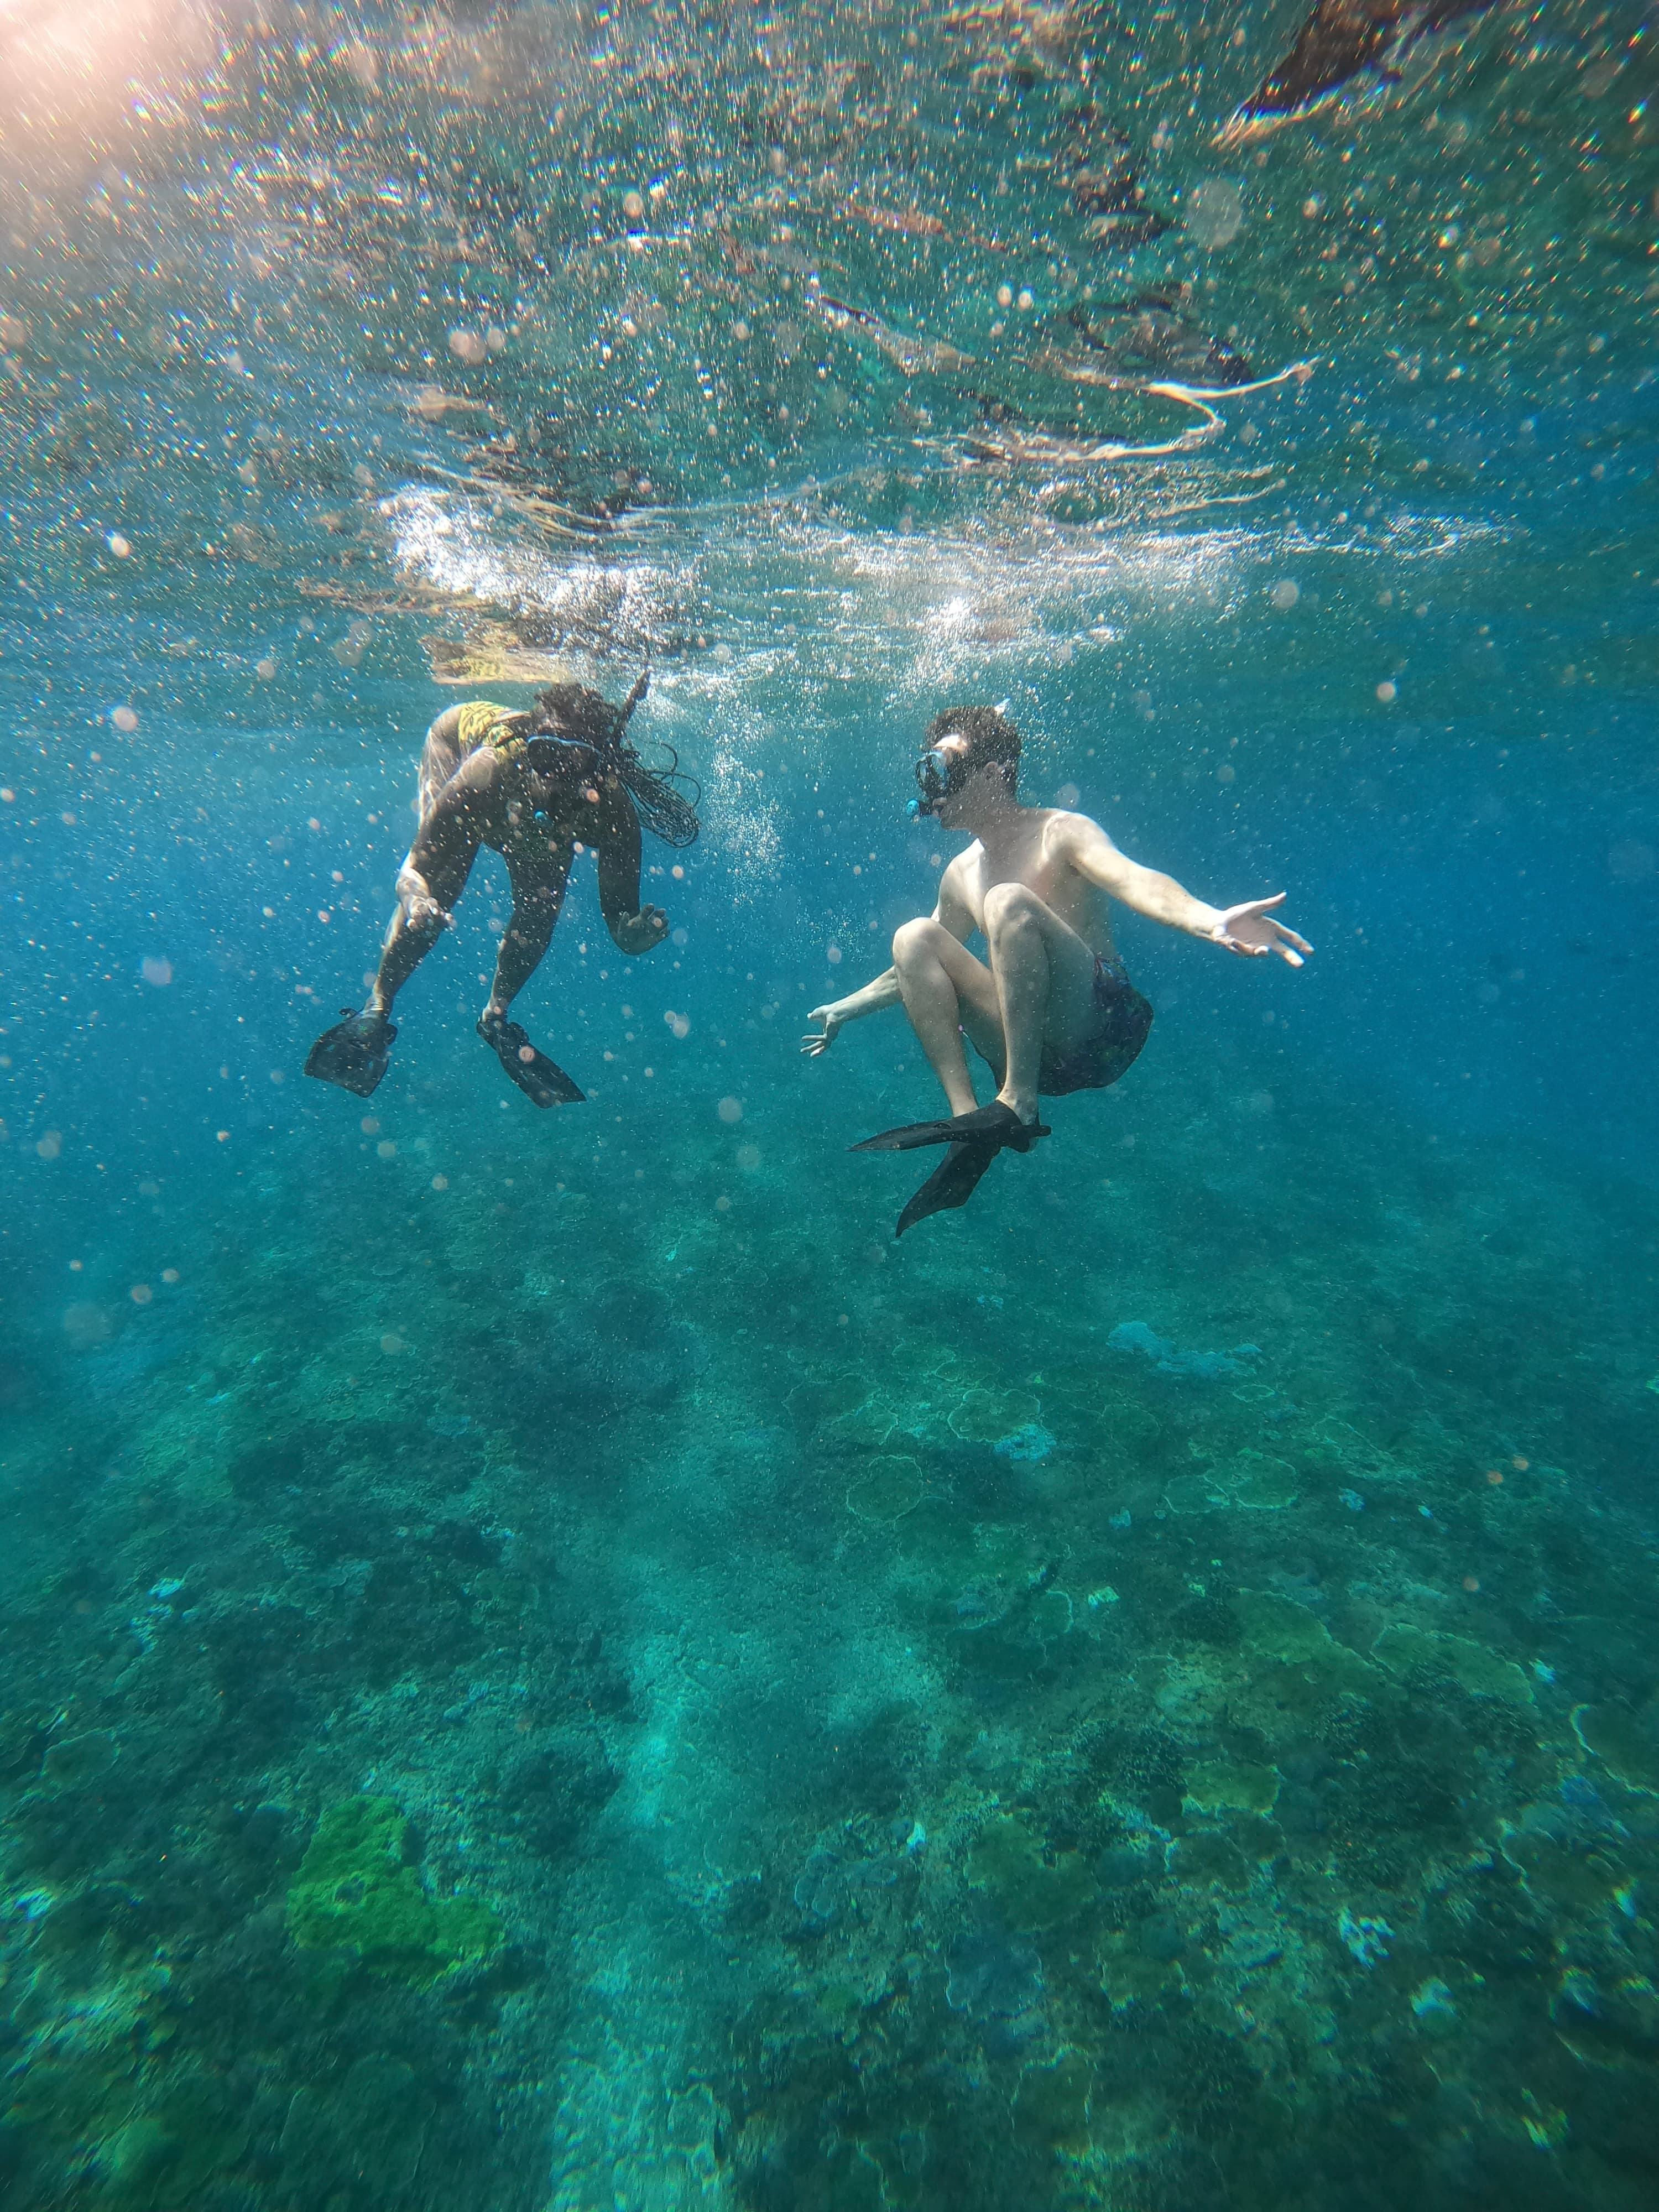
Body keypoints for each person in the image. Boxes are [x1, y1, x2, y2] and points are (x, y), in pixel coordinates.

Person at [802, 703, 1312, 1235]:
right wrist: (845, 1009)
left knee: (1007, 903)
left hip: (1100, 1030)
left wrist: (1211, 920)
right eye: (928, 766)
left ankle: (1018, 1102)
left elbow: (1135, 880)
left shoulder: (1061, 833)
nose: (933, 781)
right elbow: (911, 970)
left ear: (994, 773)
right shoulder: (959, 874)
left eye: (944, 764)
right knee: (914, 937)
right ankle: (971, 1127)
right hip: (1032, 1042)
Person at [305, 670, 698, 1104]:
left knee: (541, 908)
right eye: (546, 756)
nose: (555, 779)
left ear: (599, 767)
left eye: (574, 764)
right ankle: (376, 1008)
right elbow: (413, 871)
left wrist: (632, 937)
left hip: (521, 818)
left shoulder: (613, 811)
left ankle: (496, 1016)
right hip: (459, 749)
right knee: (441, 890)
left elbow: (620, 921)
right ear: (530, 746)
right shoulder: (490, 770)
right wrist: (418, 900)